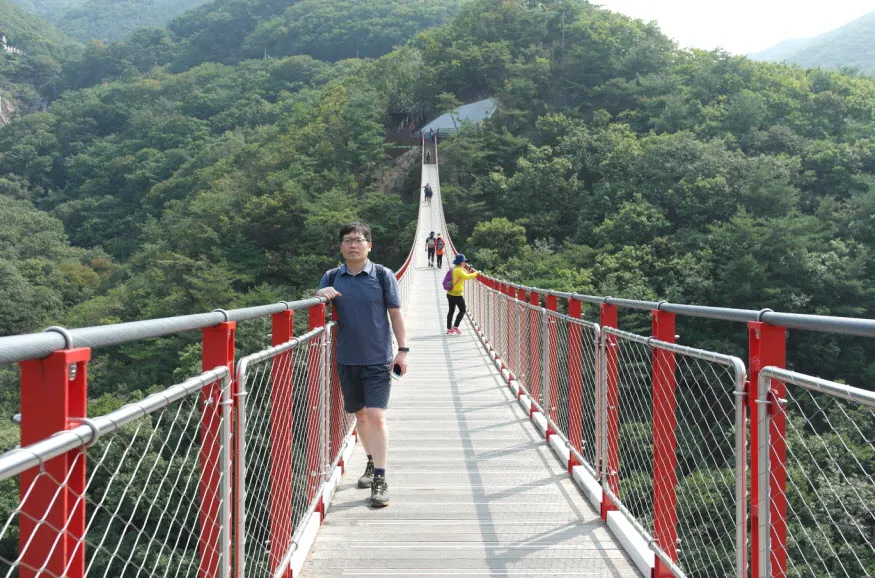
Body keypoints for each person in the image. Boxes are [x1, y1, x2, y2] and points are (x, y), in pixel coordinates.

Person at [315, 222, 408, 508]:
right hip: (347, 359)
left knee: (377, 416)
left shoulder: (382, 275)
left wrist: (402, 350)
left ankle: (380, 477)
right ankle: (370, 462)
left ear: (369, 245)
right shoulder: (331, 277)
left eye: (358, 240)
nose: (353, 245)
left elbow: (395, 312)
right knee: (361, 417)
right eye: (347, 240)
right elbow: (317, 315)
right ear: (340, 246)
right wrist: (320, 298)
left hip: (379, 358)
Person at [446, 254, 478, 335]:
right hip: (457, 295)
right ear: (460, 262)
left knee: (451, 311)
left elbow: (461, 276)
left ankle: (449, 329)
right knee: (463, 310)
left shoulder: (454, 269)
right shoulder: (459, 270)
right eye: (464, 261)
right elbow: (466, 277)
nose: (465, 263)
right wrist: (476, 273)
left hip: (450, 293)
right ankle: (455, 326)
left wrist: (468, 271)